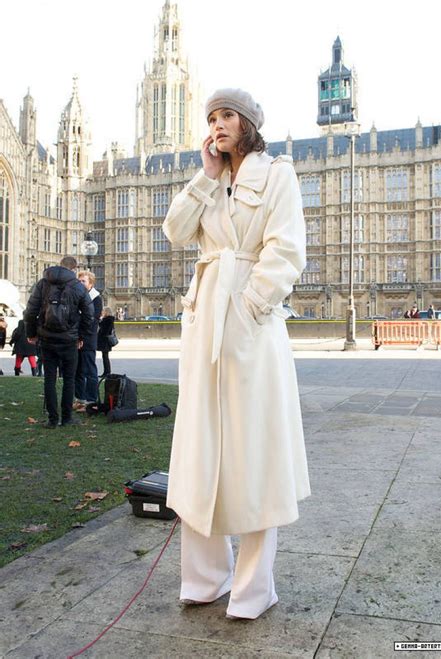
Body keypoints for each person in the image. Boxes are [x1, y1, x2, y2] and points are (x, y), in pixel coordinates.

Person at [163, 88, 310, 620]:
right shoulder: (211, 180)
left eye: (226, 116)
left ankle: (252, 588)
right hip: (205, 329)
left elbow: (287, 249)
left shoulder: (277, 175)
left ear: (247, 123)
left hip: (250, 328)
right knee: (201, 454)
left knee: (253, 457)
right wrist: (203, 176)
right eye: (210, 118)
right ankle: (205, 578)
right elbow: (175, 232)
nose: (217, 124)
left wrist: (248, 306)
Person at [23, 256, 94, 428]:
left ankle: (53, 419)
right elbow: (89, 314)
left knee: (49, 379)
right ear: (74, 269)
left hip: (46, 338)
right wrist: (81, 337)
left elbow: (30, 311)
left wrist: (31, 333)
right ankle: (67, 417)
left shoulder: (43, 283)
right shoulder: (77, 286)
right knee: (69, 379)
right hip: (69, 339)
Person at [73, 271, 102, 412]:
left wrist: (82, 338)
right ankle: (80, 399)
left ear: (91, 283)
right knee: (78, 370)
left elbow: (92, 321)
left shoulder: (96, 298)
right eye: (79, 281)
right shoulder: (78, 297)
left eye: (83, 281)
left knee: (90, 371)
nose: (80, 283)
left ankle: (91, 401)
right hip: (77, 339)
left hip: (88, 340)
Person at [97, 307, 115, 377]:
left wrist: (101, 323)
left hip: (105, 341)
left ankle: (107, 372)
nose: (102, 312)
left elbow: (105, 331)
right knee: (105, 356)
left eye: (103, 311)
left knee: (105, 357)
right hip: (105, 341)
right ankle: (106, 371)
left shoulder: (108, 320)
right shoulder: (107, 319)